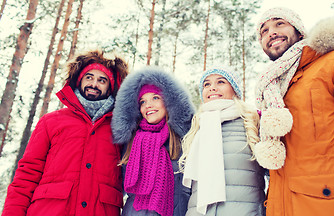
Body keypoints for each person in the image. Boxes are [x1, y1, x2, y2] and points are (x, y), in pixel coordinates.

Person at [254, 7, 334, 216]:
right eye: (264, 31)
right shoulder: (273, 90)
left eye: (279, 23)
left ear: (300, 31)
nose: (271, 32)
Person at [2, 49, 129, 216]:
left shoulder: (121, 128)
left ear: (111, 87)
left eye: (102, 80)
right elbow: (27, 176)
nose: (94, 84)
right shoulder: (51, 122)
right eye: (89, 77)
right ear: (79, 80)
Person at [179, 67, 266, 216]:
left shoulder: (252, 122)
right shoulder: (197, 128)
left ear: (234, 90)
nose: (212, 87)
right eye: (207, 84)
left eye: (221, 81)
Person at [111, 67, 195, 216]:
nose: (148, 105)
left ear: (169, 102)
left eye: (155, 98)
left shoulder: (186, 140)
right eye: (143, 102)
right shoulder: (131, 142)